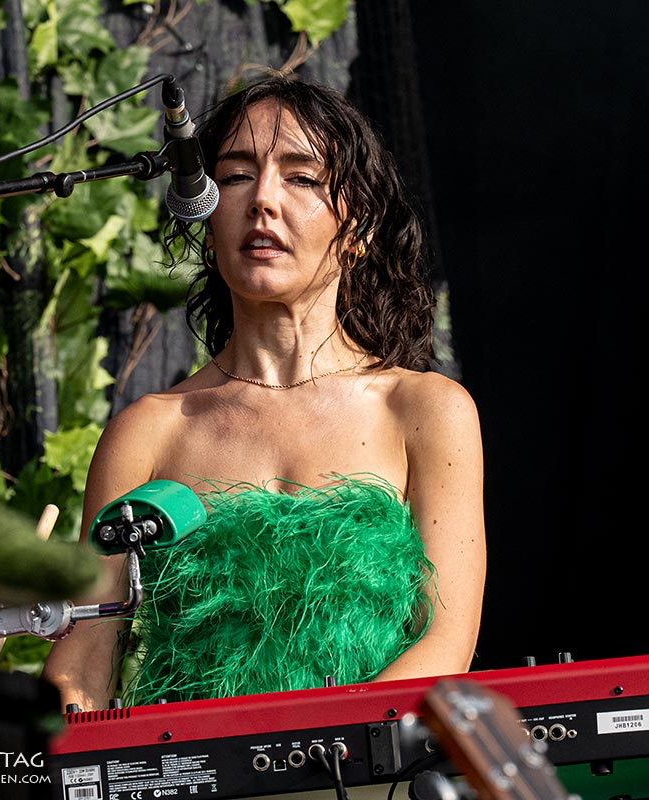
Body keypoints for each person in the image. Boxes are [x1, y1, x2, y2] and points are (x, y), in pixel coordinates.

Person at [41, 72, 485, 712]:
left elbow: (447, 641)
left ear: (357, 227)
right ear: (205, 210)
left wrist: (310, 754)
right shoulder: (150, 429)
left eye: (301, 178)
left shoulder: (424, 410)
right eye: (235, 175)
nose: (262, 201)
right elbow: (86, 654)